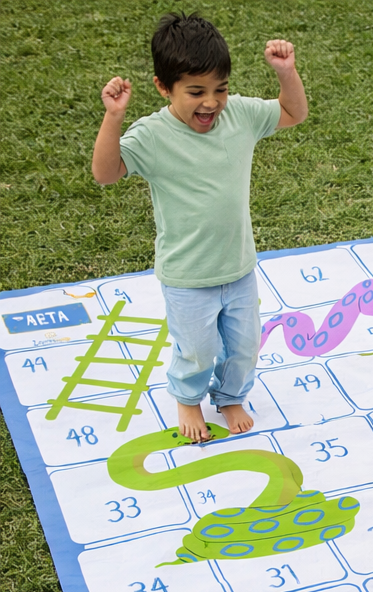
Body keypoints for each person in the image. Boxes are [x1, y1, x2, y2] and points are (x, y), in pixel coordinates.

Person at [91, 13, 308, 442]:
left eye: (220, 89)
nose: (210, 102)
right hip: (188, 277)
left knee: (244, 347)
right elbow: (106, 173)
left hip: (239, 267)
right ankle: (188, 400)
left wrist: (286, 72)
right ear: (163, 87)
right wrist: (113, 117)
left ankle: (230, 396)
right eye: (195, 92)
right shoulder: (152, 135)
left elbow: (292, 113)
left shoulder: (240, 114)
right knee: (197, 350)